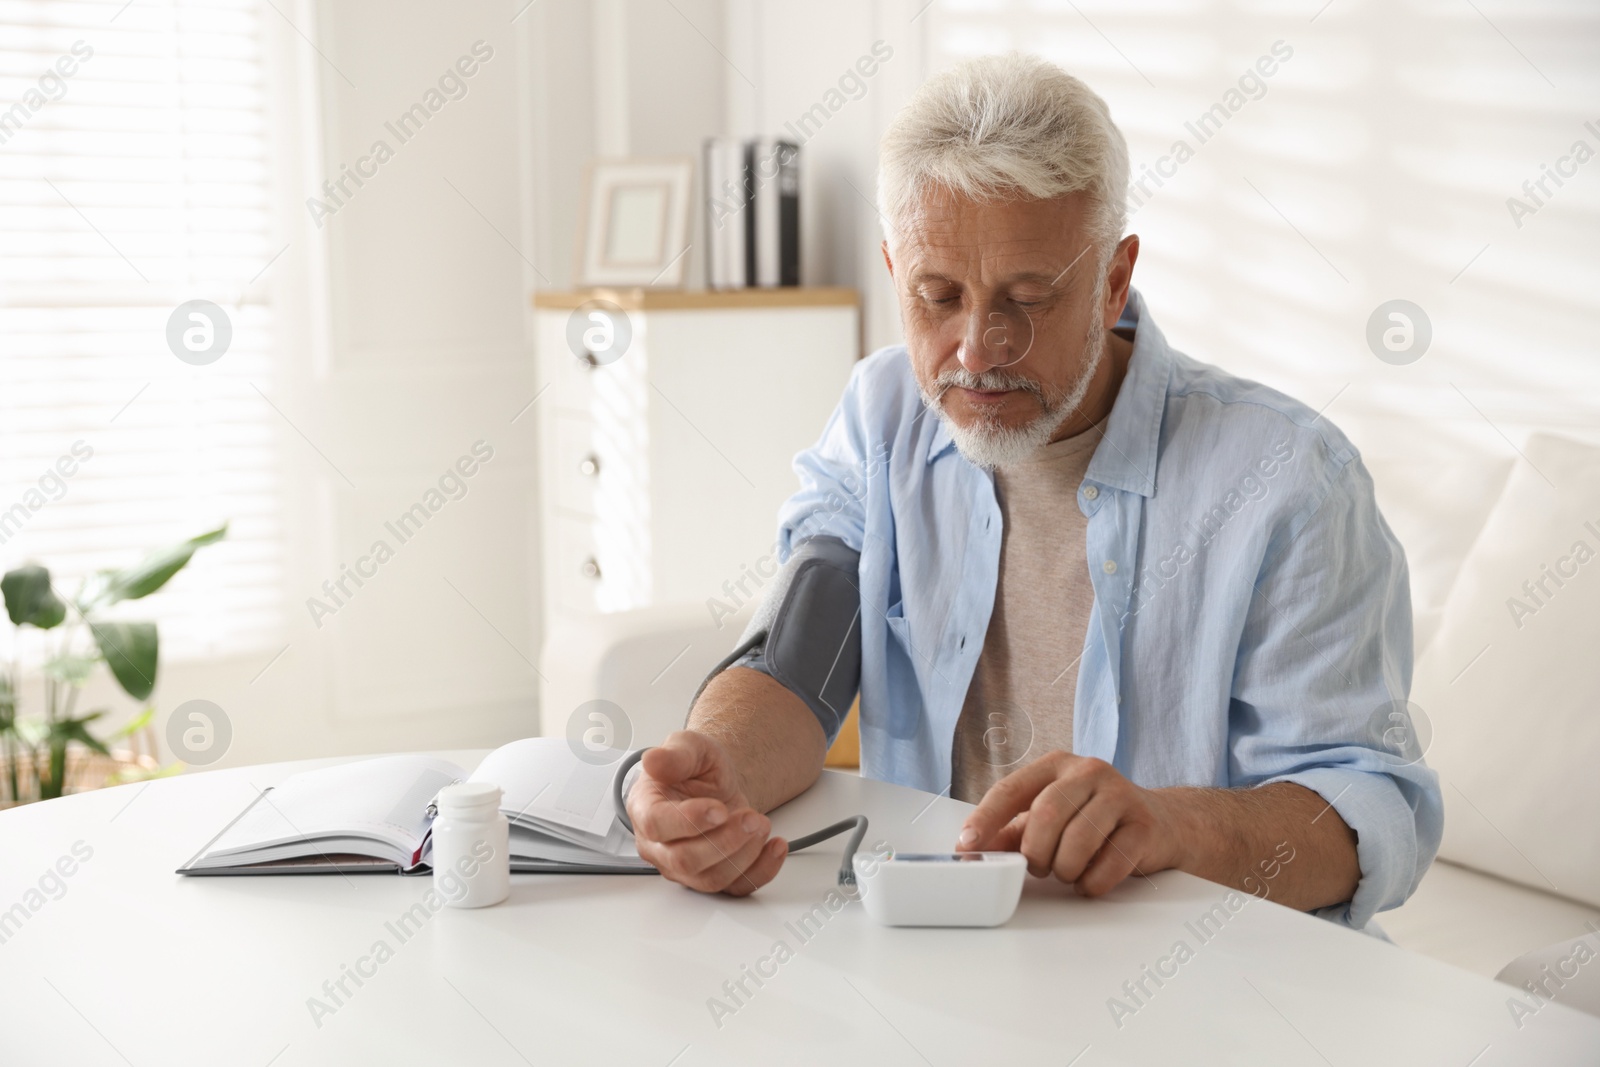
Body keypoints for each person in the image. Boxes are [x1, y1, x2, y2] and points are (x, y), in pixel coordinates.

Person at [624, 52, 1441, 931]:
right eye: (939, 296)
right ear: (895, 270)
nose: (979, 348)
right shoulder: (880, 413)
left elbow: (1369, 812)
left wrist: (1173, 825)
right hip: (949, 958)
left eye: (1029, 298)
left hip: (1212, 982)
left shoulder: (1289, 480)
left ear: (1114, 281)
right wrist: (714, 771)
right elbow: (796, 661)